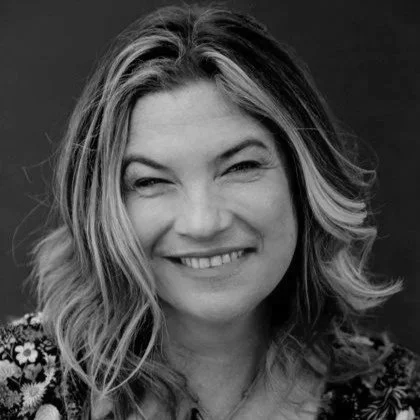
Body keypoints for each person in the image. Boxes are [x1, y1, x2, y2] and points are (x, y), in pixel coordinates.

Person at [0, 4, 418, 420]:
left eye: (240, 168)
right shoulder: (12, 388)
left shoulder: (401, 396)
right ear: (100, 207)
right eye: (150, 181)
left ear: (305, 180)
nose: (203, 223)